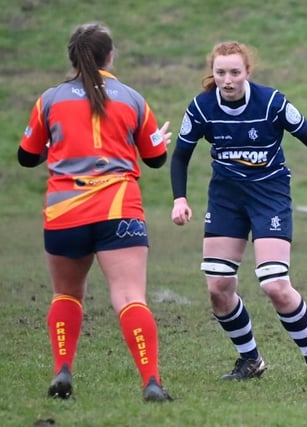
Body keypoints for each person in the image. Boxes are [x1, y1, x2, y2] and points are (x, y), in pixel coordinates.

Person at [170, 40, 307, 383]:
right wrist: (179, 198)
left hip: (269, 196)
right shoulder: (202, 107)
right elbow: (180, 155)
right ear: (213, 73)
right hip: (226, 199)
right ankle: (250, 359)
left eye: (235, 72)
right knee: (218, 287)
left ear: (248, 72)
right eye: (220, 72)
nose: (227, 79)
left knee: (275, 284)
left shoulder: (272, 102)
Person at [17, 22, 173, 402]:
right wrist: (156, 141)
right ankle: (151, 381)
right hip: (118, 209)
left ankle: (62, 370)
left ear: (72, 57)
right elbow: (155, 159)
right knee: (130, 296)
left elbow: (25, 156)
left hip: (64, 212)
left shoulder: (50, 99)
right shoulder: (133, 98)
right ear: (110, 55)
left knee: (66, 294)